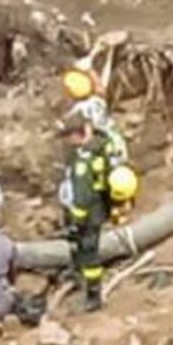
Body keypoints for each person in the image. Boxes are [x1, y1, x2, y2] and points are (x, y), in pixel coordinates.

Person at [59, 112, 111, 312]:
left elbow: (82, 196)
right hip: (96, 211)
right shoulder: (96, 151)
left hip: (88, 216)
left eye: (68, 136)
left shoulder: (83, 162)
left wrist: (76, 222)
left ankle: (93, 296)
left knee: (89, 255)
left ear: (76, 135)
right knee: (82, 250)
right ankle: (78, 277)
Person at [61, 66, 129, 168]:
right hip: (116, 139)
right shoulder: (97, 100)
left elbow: (88, 136)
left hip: (103, 145)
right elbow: (100, 88)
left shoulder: (80, 110)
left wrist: (78, 143)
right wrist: (89, 69)